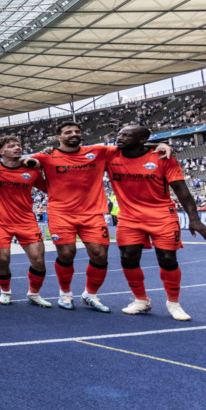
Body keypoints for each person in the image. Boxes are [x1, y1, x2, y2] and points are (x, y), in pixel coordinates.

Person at [26, 122, 171, 312]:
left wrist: (160, 145)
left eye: (77, 131)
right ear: (58, 138)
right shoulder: (46, 156)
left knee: (100, 256)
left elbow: (131, 145)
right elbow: (22, 163)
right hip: (61, 213)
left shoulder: (99, 151)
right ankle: (65, 294)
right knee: (66, 254)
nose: (74, 134)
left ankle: (90, 295)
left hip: (93, 213)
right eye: (68, 132)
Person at [107, 125, 206, 321]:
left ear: (140, 140)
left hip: (162, 215)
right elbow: (78, 152)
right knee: (128, 258)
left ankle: (173, 303)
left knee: (167, 259)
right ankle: (141, 300)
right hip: (129, 217)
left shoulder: (163, 157)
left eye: (126, 135)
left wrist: (194, 219)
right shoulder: (109, 156)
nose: (119, 138)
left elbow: (181, 190)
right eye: (119, 134)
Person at [0, 135, 52, 307]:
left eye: (18, 145)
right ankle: (5, 292)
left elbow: (48, 188)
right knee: (3, 259)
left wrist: (43, 162)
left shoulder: (31, 170)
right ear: (1, 152)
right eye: (11, 146)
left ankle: (34, 293)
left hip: (27, 222)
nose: (17, 148)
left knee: (38, 259)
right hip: (0, 223)